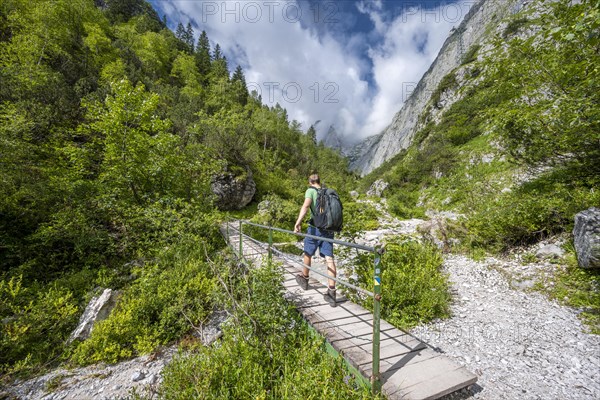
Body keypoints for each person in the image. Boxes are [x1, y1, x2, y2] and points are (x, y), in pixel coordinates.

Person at [294, 173, 337, 307]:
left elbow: (306, 206)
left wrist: (298, 222)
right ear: (319, 181)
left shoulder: (310, 191)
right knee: (329, 258)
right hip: (329, 228)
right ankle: (332, 291)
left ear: (310, 182)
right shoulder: (327, 192)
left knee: (308, 252)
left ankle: (305, 278)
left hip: (315, 228)